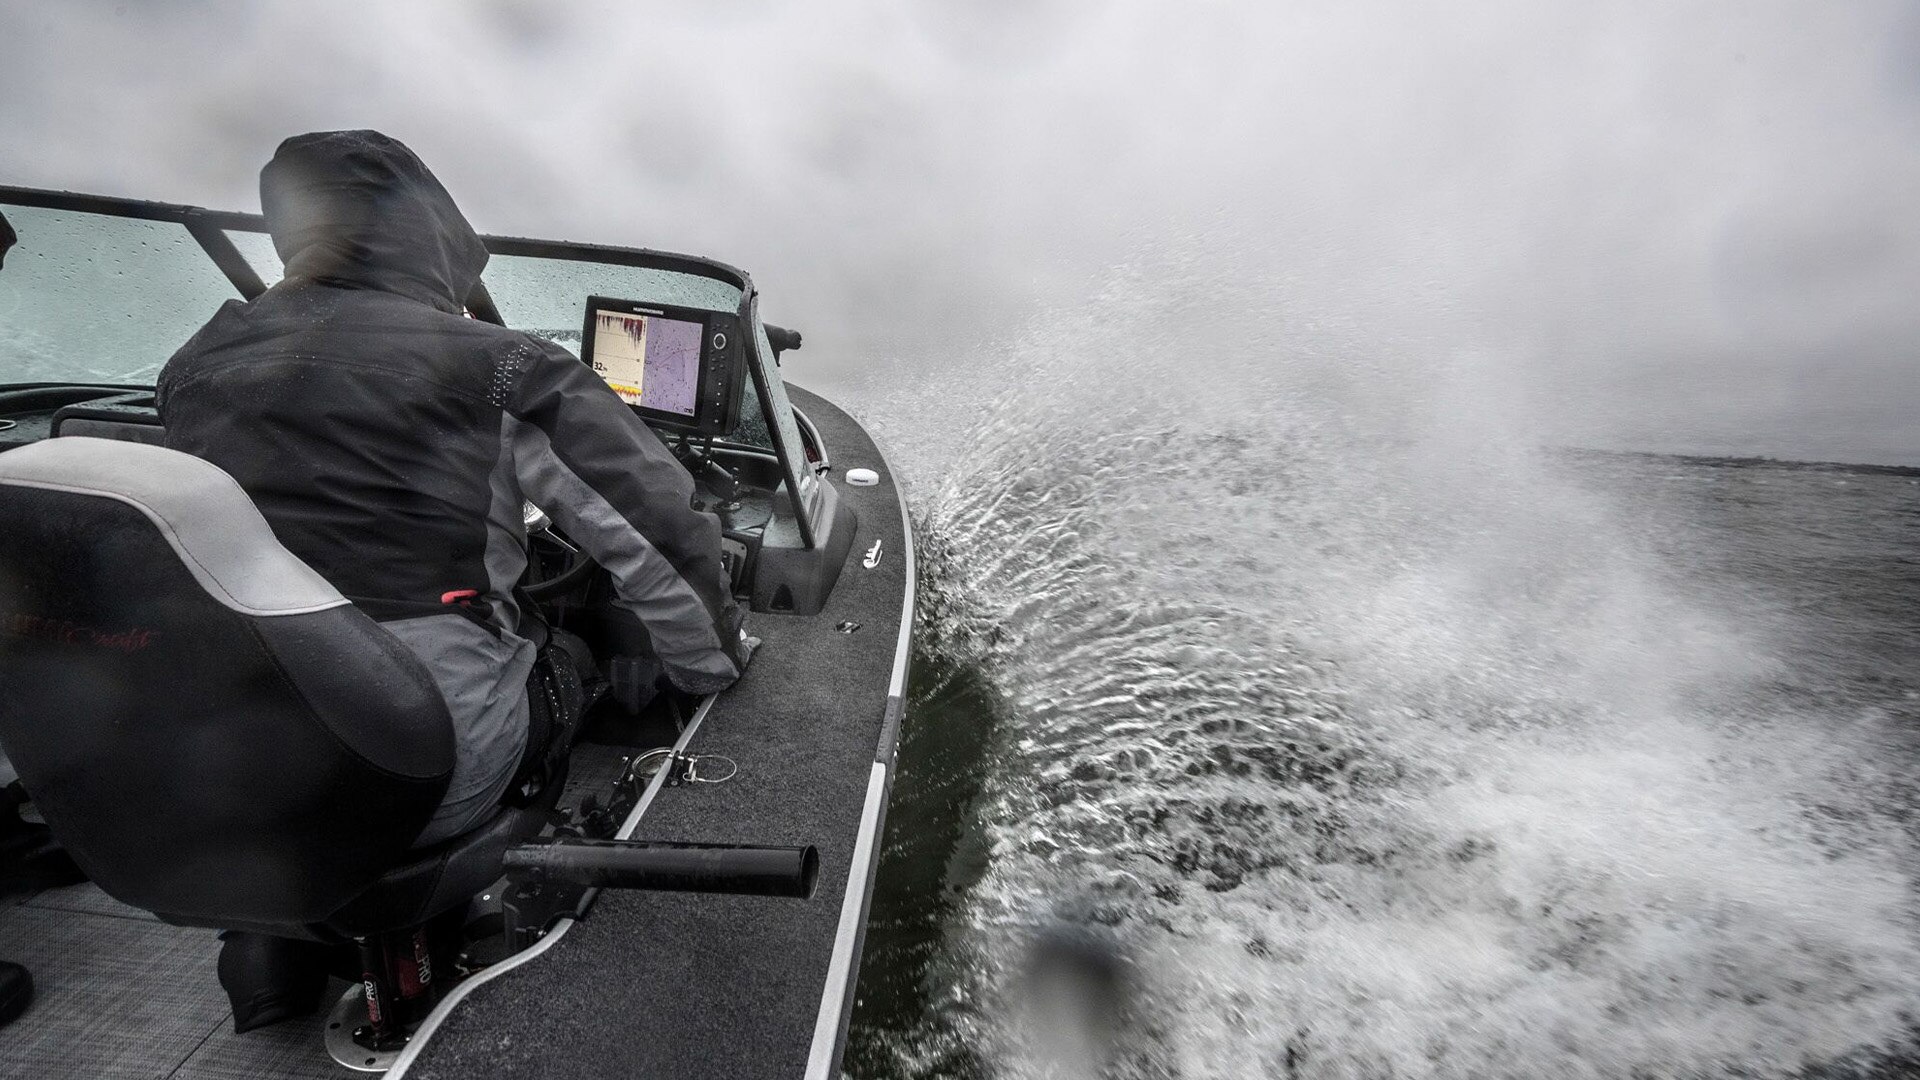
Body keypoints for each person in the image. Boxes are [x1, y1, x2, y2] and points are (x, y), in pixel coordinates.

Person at [157, 131, 751, 1028]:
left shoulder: (196, 365)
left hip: (227, 771)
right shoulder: (504, 368)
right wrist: (711, 672)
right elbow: (659, 537)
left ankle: (275, 933)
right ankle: (510, 890)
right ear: (432, 232)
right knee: (575, 658)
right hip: (424, 768)